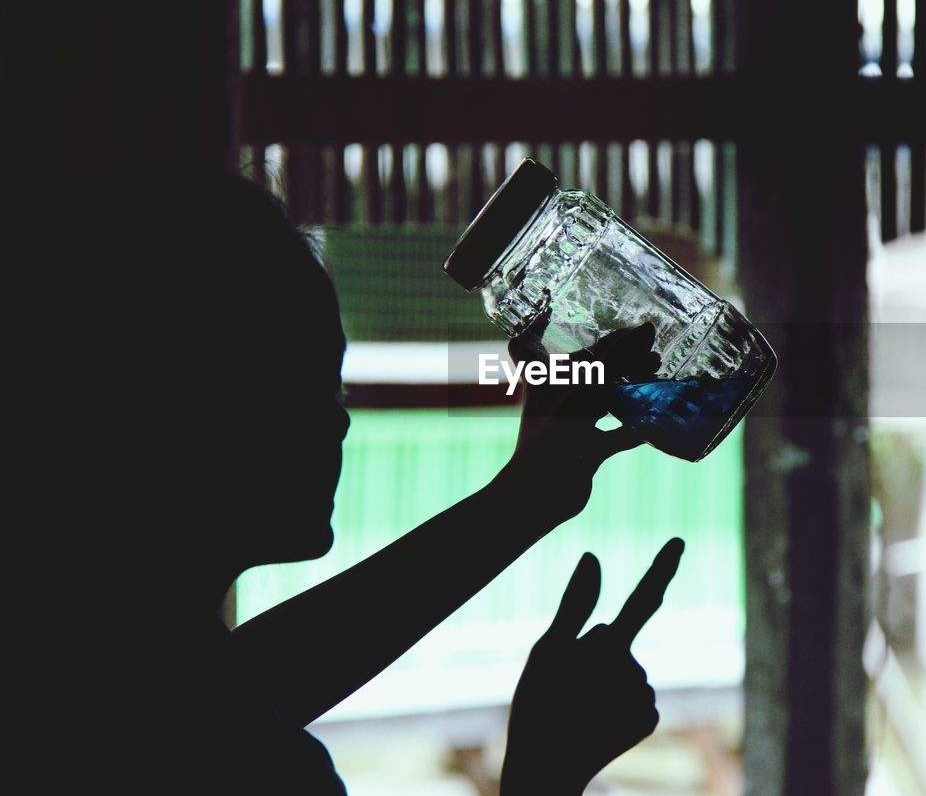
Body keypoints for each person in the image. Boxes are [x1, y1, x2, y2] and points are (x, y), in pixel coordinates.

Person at [28, 170, 682, 793]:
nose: (337, 419)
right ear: (190, 406)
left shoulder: (79, 662)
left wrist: (523, 500)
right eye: (308, 384)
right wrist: (545, 768)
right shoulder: (244, 760)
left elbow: (245, 684)